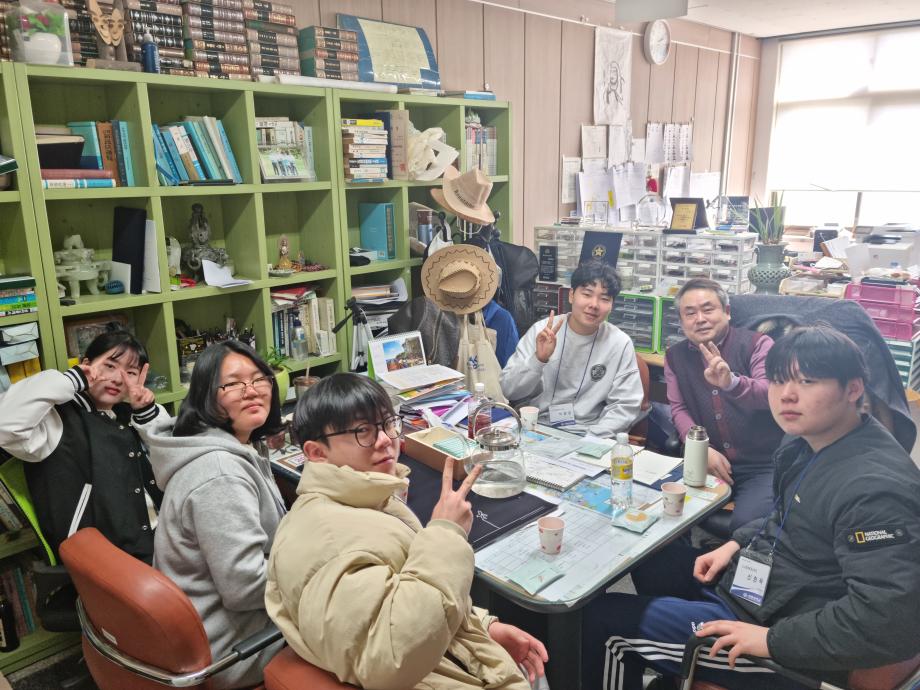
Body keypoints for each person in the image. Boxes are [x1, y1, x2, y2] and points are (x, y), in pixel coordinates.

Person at [582, 325, 920, 690]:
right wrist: (736, 543)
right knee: (649, 552)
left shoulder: (874, 488)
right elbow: (785, 516)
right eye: (778, 381)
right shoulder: (808, 441)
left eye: (807, 382)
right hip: (764, 589)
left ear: (853, 389)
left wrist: (770, 641)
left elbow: (886, 620)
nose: (786, 395)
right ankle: (671, 664)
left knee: (603, 621)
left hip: (787, 637)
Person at [265, 373, 548, 689]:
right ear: (317, 453)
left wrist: (482, 627)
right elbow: (392, 652)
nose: (385, 440)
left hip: (450, 658)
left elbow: (408, 591)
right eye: (362, 431)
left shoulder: (368, 497)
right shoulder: (327, 540)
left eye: (388, 424)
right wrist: (446, 533)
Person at [139, 340, 286, 689]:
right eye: (232, 384)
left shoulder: (222, 443)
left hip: (221, 624)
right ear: (207, 396)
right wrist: (317, 570)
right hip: (234, 646)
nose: (251, 391)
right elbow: (245, 587)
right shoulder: (220, 474)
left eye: (259, 378)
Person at [0, 329, 162, 562]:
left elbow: (173, 461)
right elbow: (5, 426)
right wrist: (69, 380)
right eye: (109, 366)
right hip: (103, 560)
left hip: (159, 542)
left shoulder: (131, 415)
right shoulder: (55, 420)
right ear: (86, 365)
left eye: (131, 372)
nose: (118, 379)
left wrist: (146, 414)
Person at [665, 278, 783, 529]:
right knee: (667, 508)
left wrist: (731, 383)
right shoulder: (675, 356)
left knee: (747, 524)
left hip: (761, 464)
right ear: (681, 321)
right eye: (690, 313)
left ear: (727, 312)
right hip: (708, 460)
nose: (700, 319)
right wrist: (700, 448)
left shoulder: (758, 344)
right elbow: (679, 409)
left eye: (708, 309)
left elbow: (772, 393)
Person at [500, 260, 643, 437]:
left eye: (604, 299)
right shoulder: (542, 332)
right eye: (587, 294)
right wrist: (538, 359)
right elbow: (509, 390)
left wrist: (592, 440)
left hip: (589, 433)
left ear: (611, 305)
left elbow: (625, 405)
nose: (594, 304)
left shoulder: (619, 343)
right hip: (537, 427)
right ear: (571, 295)